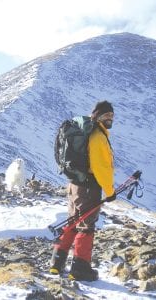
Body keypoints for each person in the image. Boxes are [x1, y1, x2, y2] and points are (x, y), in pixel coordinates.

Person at [49, 100, 116, 281]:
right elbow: (102, 168)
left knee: (73, 222)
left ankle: (57, 263)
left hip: (74, 185)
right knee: (86, 226)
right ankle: (80, 268)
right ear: (98, 115)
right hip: (88, 187)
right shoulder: (97, 136)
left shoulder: (86, 131)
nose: (110, 118)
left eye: (112, 115)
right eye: (106, 115)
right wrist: (110, 192)